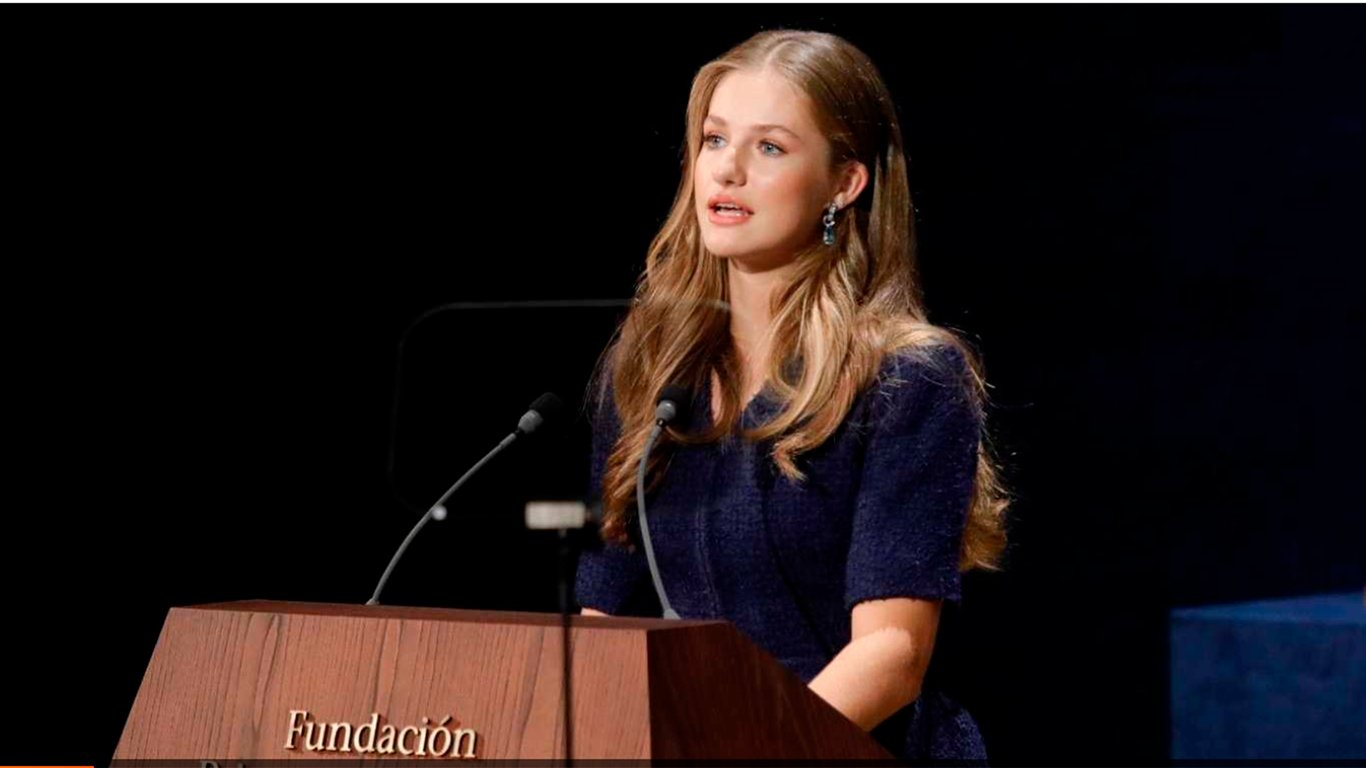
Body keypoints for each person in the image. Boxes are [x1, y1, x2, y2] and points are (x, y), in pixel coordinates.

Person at [574, 28, 1009, 762]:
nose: (728, 171)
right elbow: (602, 613)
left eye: (769, 148)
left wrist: (750, 746)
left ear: (846, 182)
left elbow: (892, 655)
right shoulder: (650, 370)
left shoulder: (908, 379)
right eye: (714, 140)